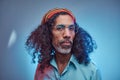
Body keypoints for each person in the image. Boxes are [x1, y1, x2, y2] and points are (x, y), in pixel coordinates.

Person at [26, 8, 101, 80]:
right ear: (48, 34)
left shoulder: (91, 70)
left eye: (71, 28)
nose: (67, 34)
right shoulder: (42, 68)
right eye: (59, 28)